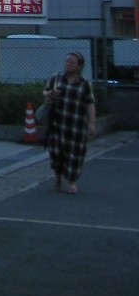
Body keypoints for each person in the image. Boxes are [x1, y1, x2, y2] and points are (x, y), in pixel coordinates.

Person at [43, 50, 96, 194]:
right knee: (56, 151)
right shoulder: (56, 78)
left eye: (72, 62)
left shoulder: (84, 84)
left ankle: (72, 182)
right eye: (67, 61)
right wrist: (50, 94)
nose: (68, 64)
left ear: (79, 66)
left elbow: (90, 103)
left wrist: (91, 123)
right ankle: (57, 177)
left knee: (75, 153)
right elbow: (45, 92)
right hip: (57, 122)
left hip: (75, 125)